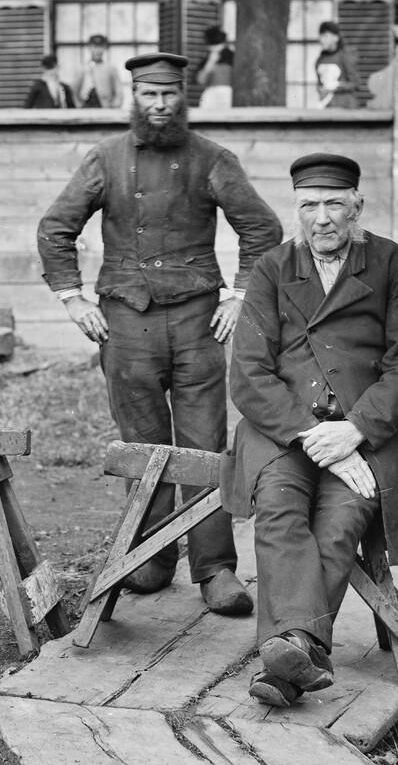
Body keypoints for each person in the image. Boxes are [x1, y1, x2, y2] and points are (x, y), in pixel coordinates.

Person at [35, 51, 282, 616]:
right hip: (126, 324)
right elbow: (55, 229)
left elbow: (262, 227)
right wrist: (72, 298)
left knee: (204, 446)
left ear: (183, 95)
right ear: (135, 97)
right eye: (149, 94)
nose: (160, 105)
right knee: (143, 445)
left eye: (169, 93)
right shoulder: (106, 159)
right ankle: (149, 556)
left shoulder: (211, 159)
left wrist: (239, 295)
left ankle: (215, 569)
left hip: (198, 323)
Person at [222, 152, 398, 708]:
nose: (322, 218)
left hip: (362, 433)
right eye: (309, 205)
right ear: (296, 210)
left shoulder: (389, 263)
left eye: (334, 204)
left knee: (339, 525)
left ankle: (290, 656)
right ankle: (302, 648)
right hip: (284, 429)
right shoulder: (272, 268)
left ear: (357, 207)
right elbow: (249, 373)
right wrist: (311, 436)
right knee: (280, 507)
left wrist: (355, 431)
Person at [314, 22, 370, 110]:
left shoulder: (345, 56)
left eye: (325, 36)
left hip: (345, 106)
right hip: (327, 106)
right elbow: (320, 83)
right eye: (321, 36)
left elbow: (356, 83)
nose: (321, 40)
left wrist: (336, 87)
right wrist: (320, 89)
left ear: (336, 38)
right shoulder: (320, 60)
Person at [76, 34, 122, 110]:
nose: (98, 50)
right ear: (89, 47)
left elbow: (119, 91)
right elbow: (74, 91)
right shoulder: (82, 68)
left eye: (101, 47)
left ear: (104, 48)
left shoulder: (110, 68)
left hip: (105, 107)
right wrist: (78, 106)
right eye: (95, 47)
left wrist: (114, 106)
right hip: (85, 108)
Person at [196, 26, 234, 111]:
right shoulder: (207, 59)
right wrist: (211, 62)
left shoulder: (231, 56)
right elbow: (201, 80)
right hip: (211, 95)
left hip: (228, 95)